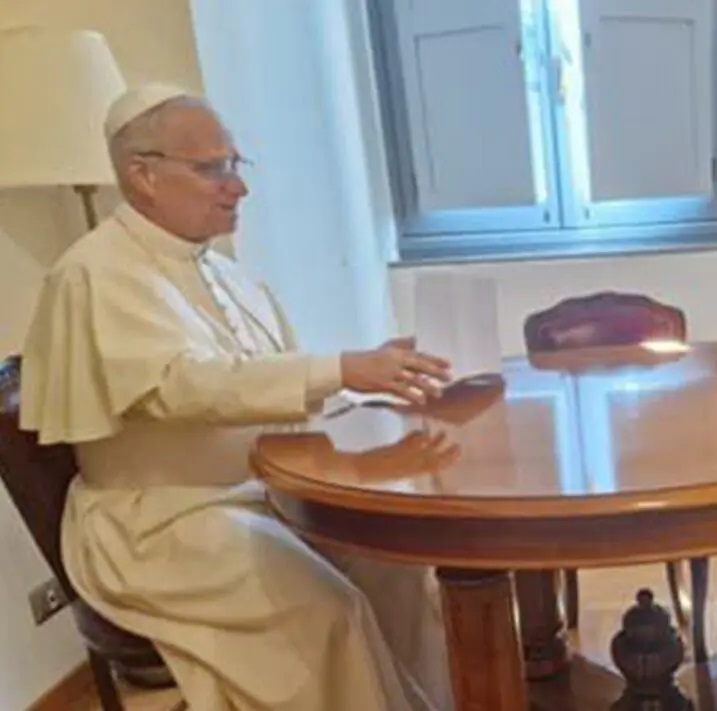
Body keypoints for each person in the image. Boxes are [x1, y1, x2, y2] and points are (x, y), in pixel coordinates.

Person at [20, 84, 453, 710]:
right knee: (326, 610)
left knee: (397, 566)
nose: (238, 187)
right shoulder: (92, 273)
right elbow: (182, 385)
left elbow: (273, 386)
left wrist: (377, 392)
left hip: (256, 495)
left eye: (235, 164)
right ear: (142, 175)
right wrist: (343, 369)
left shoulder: (222, 271)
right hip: (162, 520)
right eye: (212, 168)